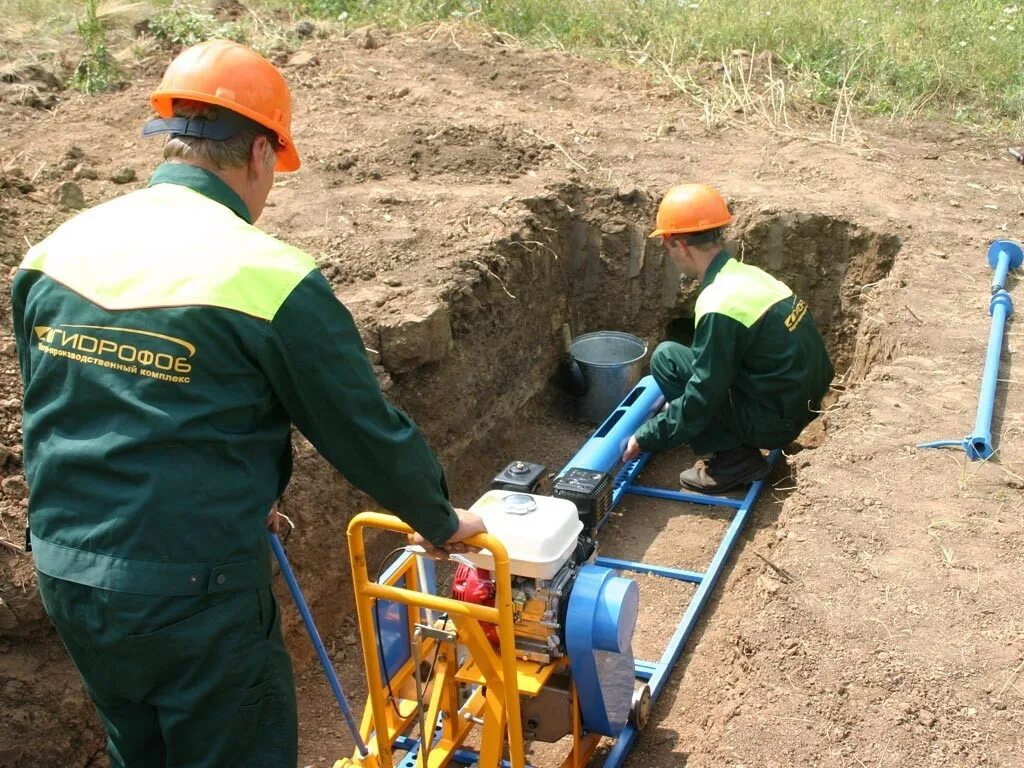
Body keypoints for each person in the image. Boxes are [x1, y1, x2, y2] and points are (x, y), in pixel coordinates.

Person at [12, 39, 482, 768]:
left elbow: (75, 402)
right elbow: (361, 429)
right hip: (193, 596)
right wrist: (440, 518)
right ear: (260, 153)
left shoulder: (53, 251)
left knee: (140, 749)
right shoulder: (268, 277)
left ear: (168, 140)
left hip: (68, 575)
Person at [622, 183, 834, 493]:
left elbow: (701, 396)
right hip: (803, 402)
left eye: (667, 247)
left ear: (678, 244)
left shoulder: (719, 303)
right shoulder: (748, 276)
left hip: (778, 421)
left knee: (672, 368)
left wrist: (649, 435)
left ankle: (734, 462)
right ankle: (741, 435)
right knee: (668, 356)